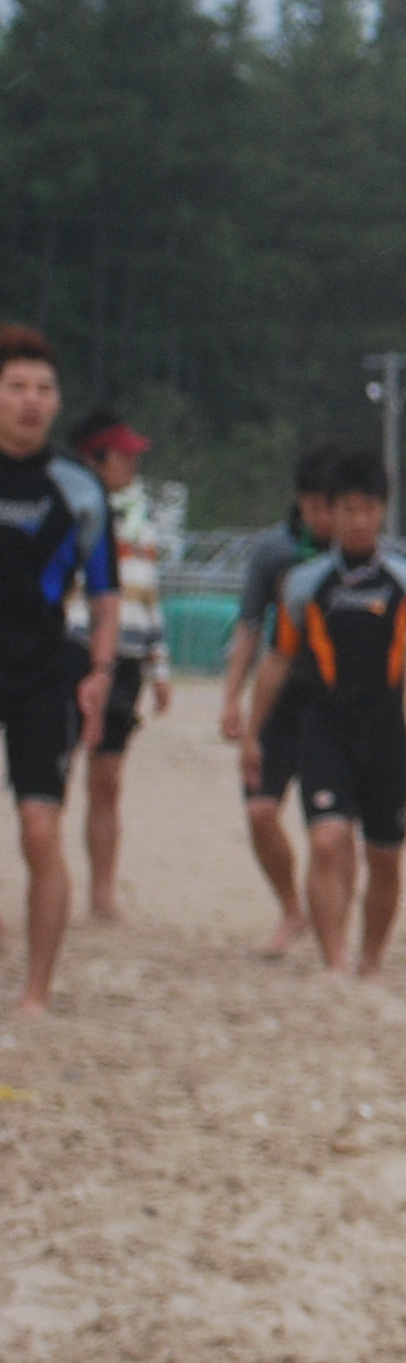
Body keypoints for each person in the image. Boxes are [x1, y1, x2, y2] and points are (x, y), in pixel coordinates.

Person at [248, 447, 406, 981]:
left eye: (369, 510)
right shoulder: (304, 584)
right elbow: (278, 658)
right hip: (326, 731)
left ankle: (371, 958)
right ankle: (335, 960)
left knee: (385, 858)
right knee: (326, 841)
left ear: (382, 511)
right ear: (330, 513)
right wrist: (252, 732)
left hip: (386, 735)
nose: (359, 521)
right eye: (348, 511)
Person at [0, 329, 120, 1016]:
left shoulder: (80, 489)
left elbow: (104, 595)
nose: (30, 400)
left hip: (43, 673)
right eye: (16, 386)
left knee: (39, 829)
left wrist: (100, 670)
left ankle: (36, 990)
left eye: (43, 389)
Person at [215, 446, 334, 955]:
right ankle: (291, 910)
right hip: (279, 702)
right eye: (317, 506)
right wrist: (231, 699)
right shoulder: (273, 553)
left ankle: (334, 926)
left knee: (333, 829)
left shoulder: (358, 557)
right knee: (261, 811)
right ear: (301, 502)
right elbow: (248, 627)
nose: (327, 518)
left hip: (334, 706)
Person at [60, 409, 169, 930]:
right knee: (48, 776)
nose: (132, 464)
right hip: (72, 649)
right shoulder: (66, 512)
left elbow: (148, 595)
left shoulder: (139, 518)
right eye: (123, 455)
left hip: (126, 659)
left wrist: (159, 664)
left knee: (108, 780)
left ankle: (101, 892)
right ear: (93, 459)